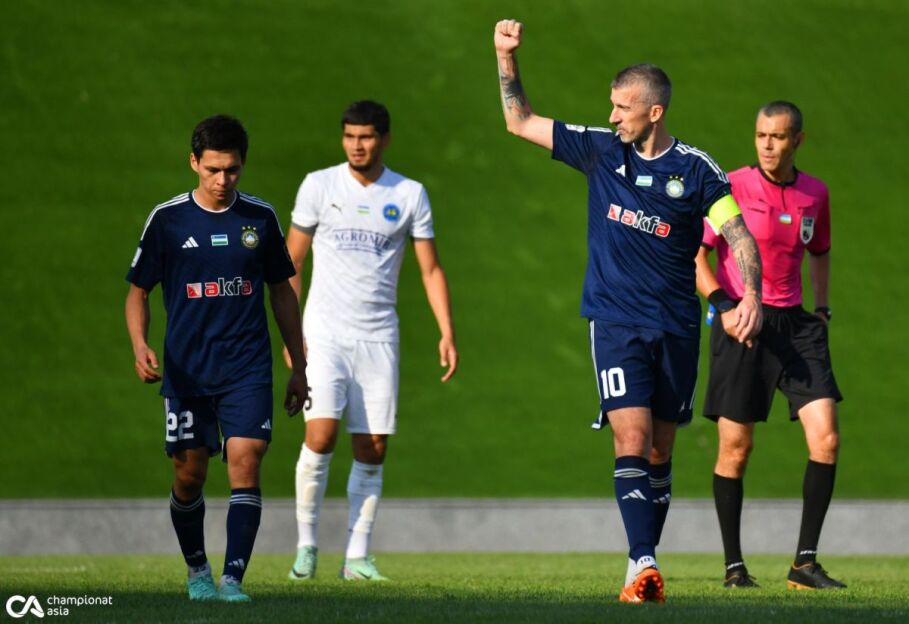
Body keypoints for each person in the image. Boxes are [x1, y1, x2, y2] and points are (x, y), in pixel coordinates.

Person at [493, 19, 764, 604]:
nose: (612, 116)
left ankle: (639, 565)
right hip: (615, 322)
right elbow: (519, 121)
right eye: (612, 106)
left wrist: (751, 296)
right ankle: (644, 560)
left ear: (654, 112)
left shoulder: (697, 170)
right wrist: (505, 57)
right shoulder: (599, 149)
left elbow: (737, 234)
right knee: (632, 437)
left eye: (623, 107)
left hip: (677, 327)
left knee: (661, 451)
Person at [125, 114, 309, 603]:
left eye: (232, 170)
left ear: (243, 165)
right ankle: (197, 570)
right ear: (193, 163)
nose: (223, 180)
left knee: (246, 461)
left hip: (247, 367)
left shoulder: (260, 218)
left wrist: (299, 365)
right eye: (213, 170)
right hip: (187, 370)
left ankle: (232, 581)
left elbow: (282, 293)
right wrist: (140, 344)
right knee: (189, 475)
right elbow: (138, 292)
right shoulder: (167, 220)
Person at [285, 100, 458, 582]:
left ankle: (357, 557)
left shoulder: (409, 194)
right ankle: (306, 547)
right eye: (349, 136)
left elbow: (430, 268)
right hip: (323, 334)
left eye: (365, 137)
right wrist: (292, 335)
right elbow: (291, 261)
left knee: (374, 446)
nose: (356, 145)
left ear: (384, 139)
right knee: (320, 436)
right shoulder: (319, 185)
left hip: (379, 337)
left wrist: (446, 330)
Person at [695, 101, 845, 590]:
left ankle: (804, 565)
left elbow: (819, 251)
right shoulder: (731, 186)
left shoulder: (815, 193)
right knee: (737, 449)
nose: (767, 145)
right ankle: (734, 568)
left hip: (797, 326)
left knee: (827, 439)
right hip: (743, 322)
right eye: (761, 135)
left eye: (777, 137)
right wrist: (723, 304)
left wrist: (822, 308)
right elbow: (697, 257)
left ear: (797, 140)